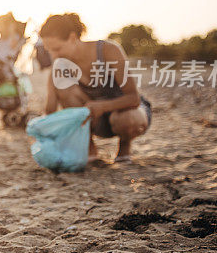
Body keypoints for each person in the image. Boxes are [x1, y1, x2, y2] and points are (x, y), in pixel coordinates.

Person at [39, 13, 151, 164]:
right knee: (64, 89)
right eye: (49, 50)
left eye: (57, 49)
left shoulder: (107, 50)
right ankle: (89, 147)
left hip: (127, 115)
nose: (54, 55)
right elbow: (50, 110)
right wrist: (41, 129)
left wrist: (103, 106)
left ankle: (124, 147)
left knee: (125, 119)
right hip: (97, 121)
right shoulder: (59, 66)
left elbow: (134, 98)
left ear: (72, 38)